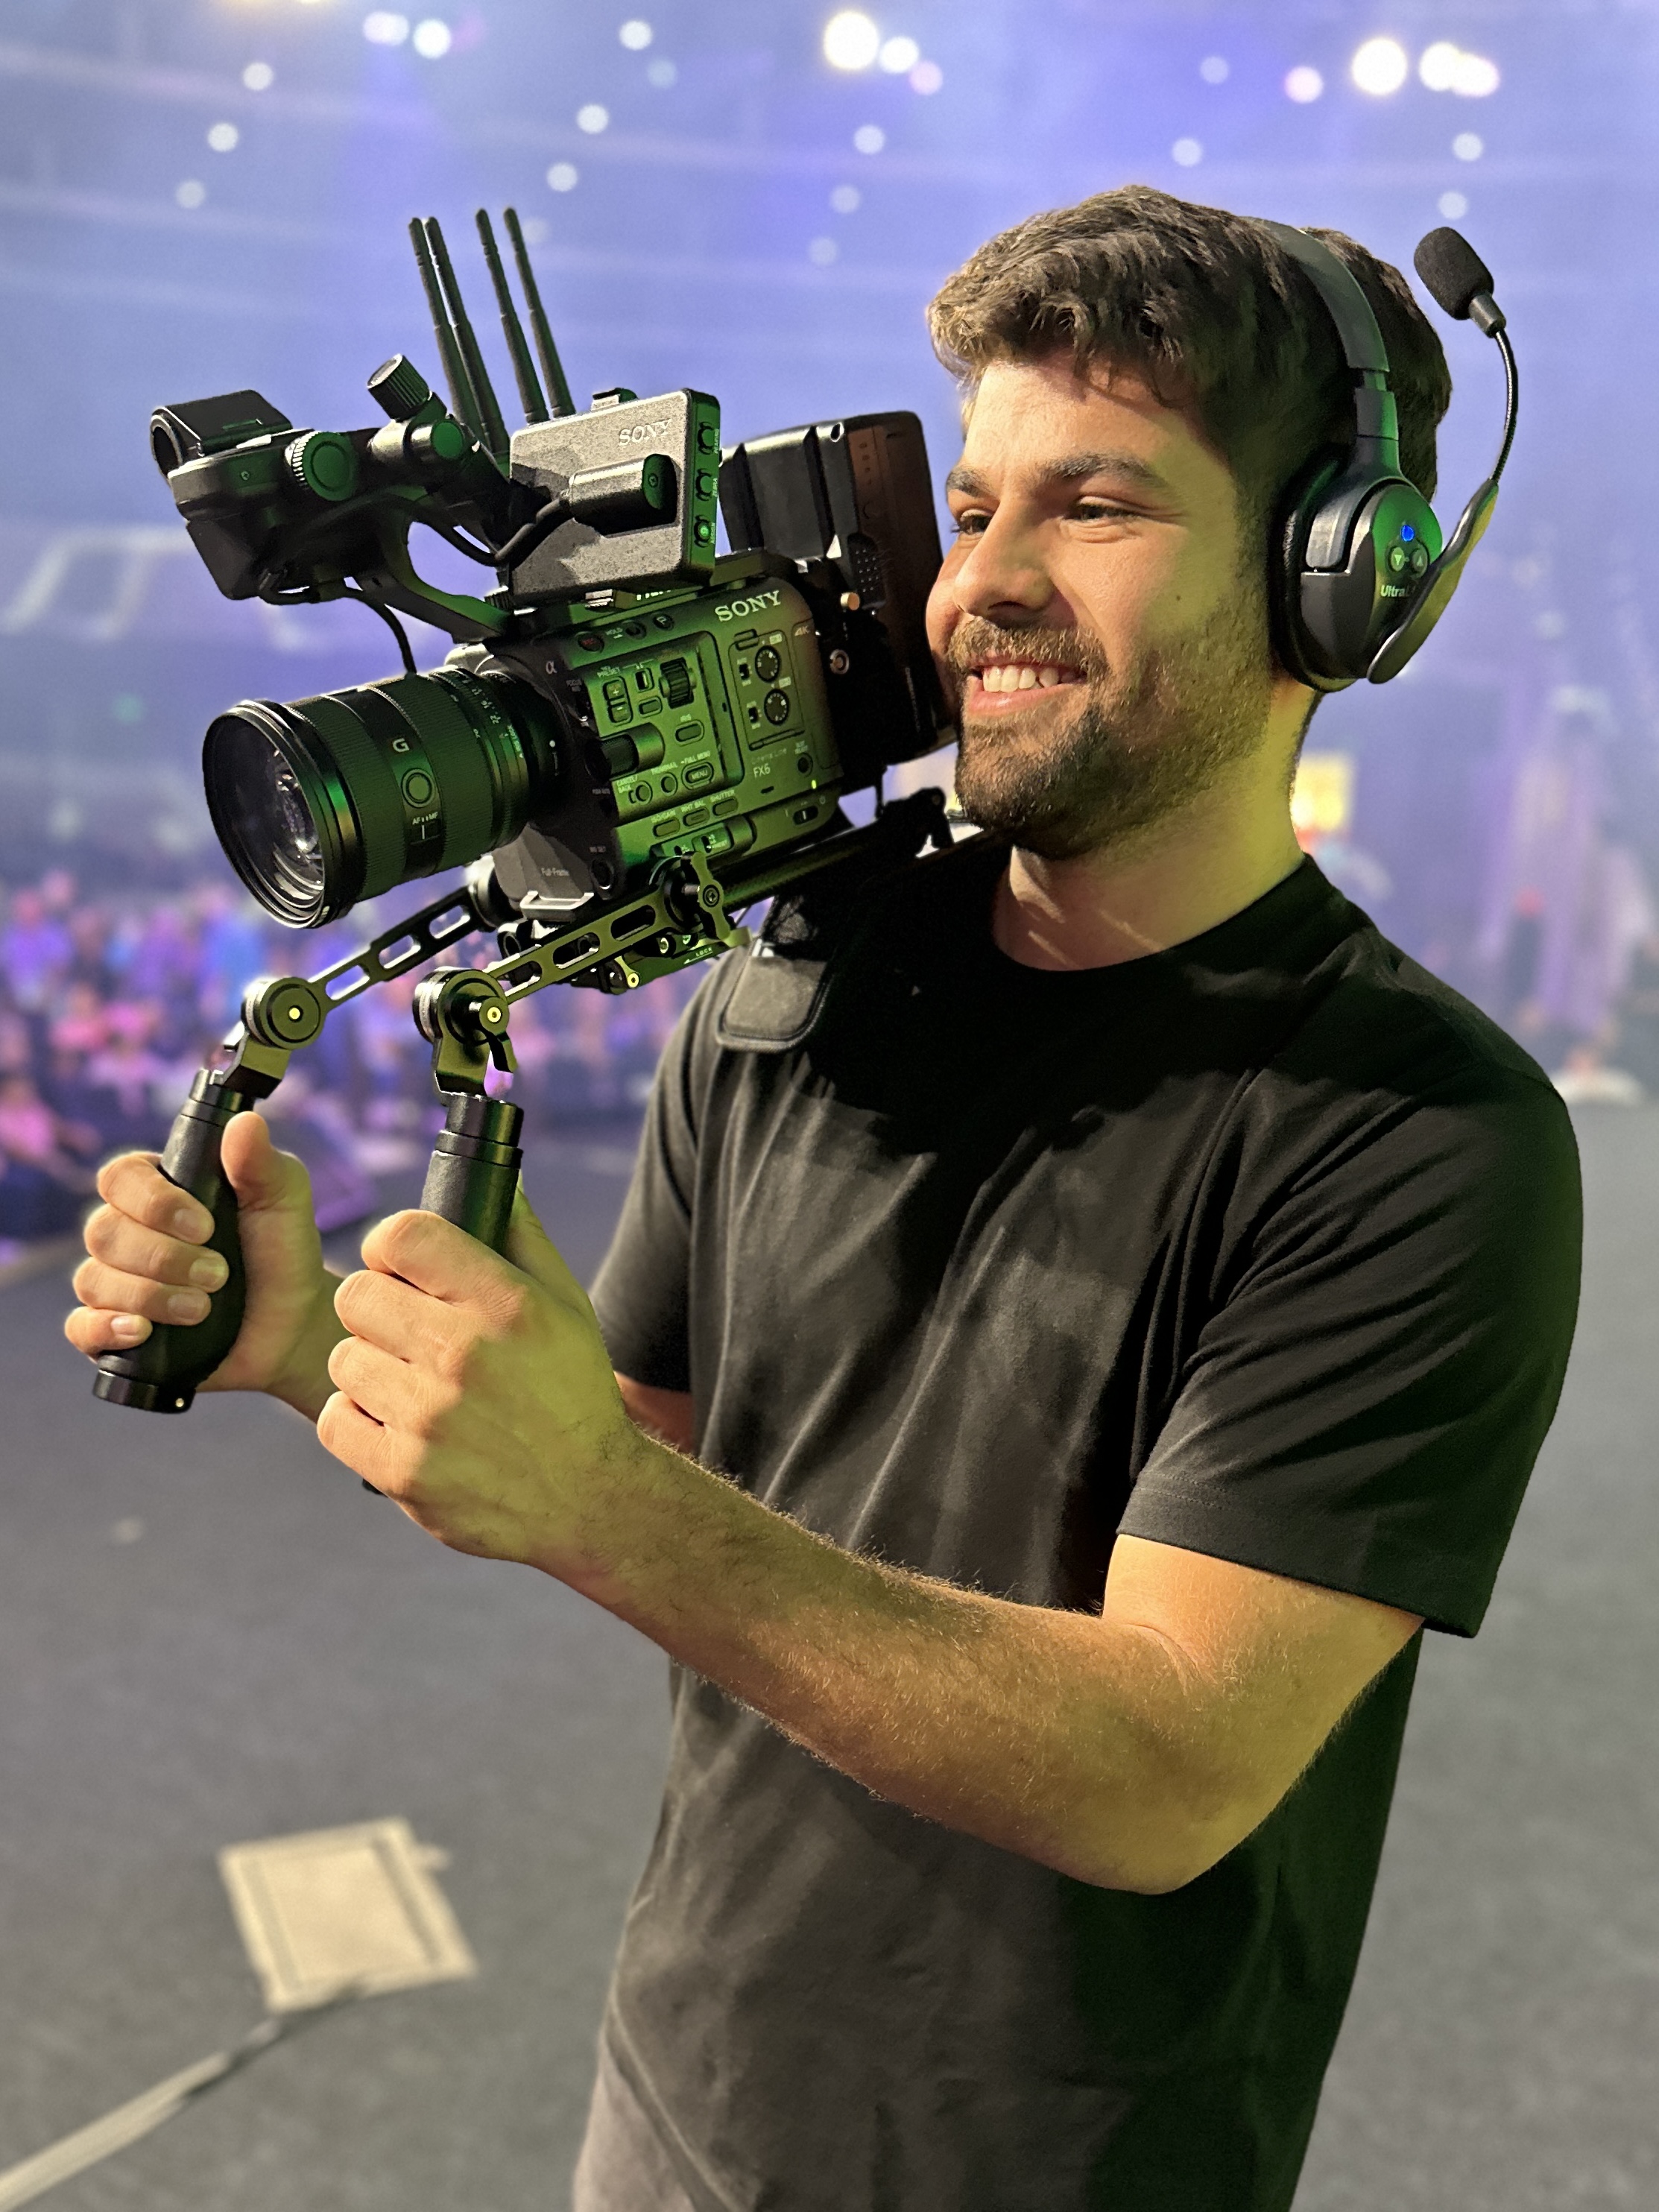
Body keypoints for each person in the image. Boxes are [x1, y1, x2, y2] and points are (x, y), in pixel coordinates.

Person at [65, 188, 1581, 2211]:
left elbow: (1162, 1769)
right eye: (970, 508)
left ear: (1332, 583)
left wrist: (604, 1508)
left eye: (1096, 507)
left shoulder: (1412, 1132)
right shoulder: (791, 986)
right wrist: (310, 1339)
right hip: (678, 2103)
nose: (980, 589)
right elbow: (650, 1452)